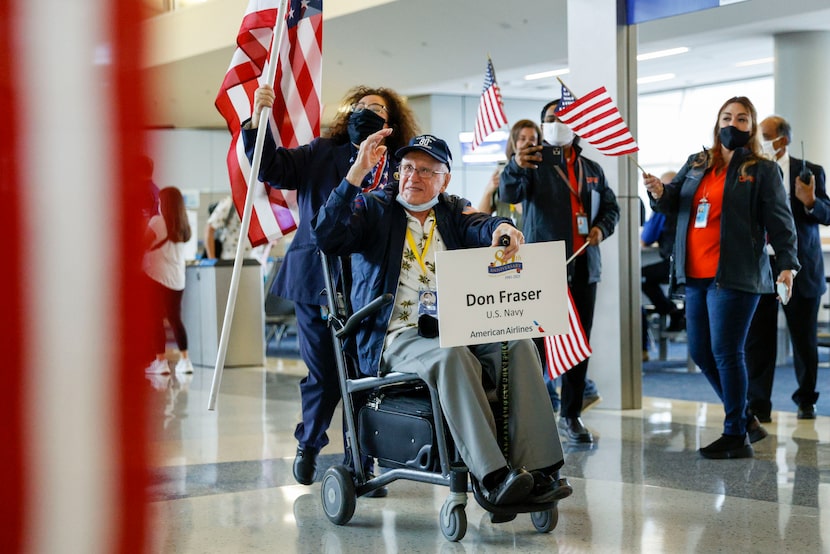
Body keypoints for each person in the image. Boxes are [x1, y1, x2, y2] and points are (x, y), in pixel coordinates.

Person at [312, 131, 571, 506]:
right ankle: (493, 477)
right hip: (393, 333)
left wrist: (501, 228)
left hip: (456, 326)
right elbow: (326, 235)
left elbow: (479, 224)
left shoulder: (450, 211)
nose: (413, 177)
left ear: (444, 179)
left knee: (517, 344)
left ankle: (541, 469)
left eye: (425, 170)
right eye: (407, 168)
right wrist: (356, 172)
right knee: (452, 357)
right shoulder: (374, 210)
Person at [243, 83, 420, 487]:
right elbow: (271, 168)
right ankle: (308, 443)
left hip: (369, 286)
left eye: (376, 109)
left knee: (361, 375)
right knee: (324, 372)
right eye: (360, 108)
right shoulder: (323, 152)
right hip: (315, 280)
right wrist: (259, 119)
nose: (366, 113)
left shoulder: (400, 166)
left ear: (391, 125)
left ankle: (363, 462)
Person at [644, 96, 799, 459]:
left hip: (735, 274)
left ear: (751, 126)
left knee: (727, 352)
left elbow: (780, 221)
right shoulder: (698, 163)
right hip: (694, 274)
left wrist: (788, 265)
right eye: (727, 117)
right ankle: (745, 418)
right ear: (717, 123)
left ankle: (735, 433)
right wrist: (659, 193)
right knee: (700, 350)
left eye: (742, 119)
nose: (733, 124)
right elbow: (671, 204)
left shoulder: (761, 169)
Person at [499, 99, 621, 443]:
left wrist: (601, 228)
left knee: (579, 344)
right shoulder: (532, 165)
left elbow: (611, 206)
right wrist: (515, 165)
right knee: (538, 345)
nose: (558, 123)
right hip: (544, 267)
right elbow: (509, 193)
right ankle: (536, 417)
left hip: (585, 265)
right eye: (551, 119)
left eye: (565, 117)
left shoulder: (591, 167)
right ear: (542, 127)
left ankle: (571, 415)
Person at [745, 115, 829, 422]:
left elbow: (827, 212)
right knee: (759, 340)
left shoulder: (810, 171)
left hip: (801, 268)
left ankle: (806, 400)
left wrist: (810, 202)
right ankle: (758, 404)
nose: (762, 140)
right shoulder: (751, 171)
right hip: (761, 268)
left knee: (804, 340)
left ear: (783, 140)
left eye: (766, 135)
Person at [143, 186, 195, 376]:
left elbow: (143, 243)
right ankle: (185, 360)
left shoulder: (157, 222)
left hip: (157, 277)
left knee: (156, 320)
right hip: (177, 280)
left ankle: (161, 362)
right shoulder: (183, 224)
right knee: (175, 319)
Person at [641, 171, 685, 361]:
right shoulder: (689, 204)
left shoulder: (663, 206)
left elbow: (646, 239)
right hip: (690, 265)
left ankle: (672, 311)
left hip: (673, 265)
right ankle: (677, 313)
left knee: (641, 277)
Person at [477, 119, 542, 231]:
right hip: (504, 237)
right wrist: (489, 190)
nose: (528, 143)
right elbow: (481, 216)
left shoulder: (541, 173)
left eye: (532, 139)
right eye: (522, 139)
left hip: (530, 238)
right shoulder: (504, 172)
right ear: (514, 142)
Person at [203, 195, 264, 260]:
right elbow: (209, 229)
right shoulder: (229, 203)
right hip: (230, 259)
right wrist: (212, 260)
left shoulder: (260, 203)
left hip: (253, 259)